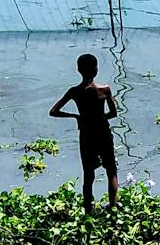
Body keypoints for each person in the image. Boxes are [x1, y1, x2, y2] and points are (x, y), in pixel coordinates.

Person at [49, 53, 118, 208]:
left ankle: (88, 209)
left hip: (86, 134)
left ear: (79, 69)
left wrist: (76, 116)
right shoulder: (105, 89)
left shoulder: (74, 91)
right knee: (111, 171)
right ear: (96, 70)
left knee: (88, 174)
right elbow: (113, 113)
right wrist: (100, 118)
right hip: (103, 132)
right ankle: (113, 205)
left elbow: (53, 111)